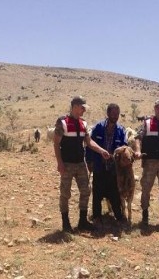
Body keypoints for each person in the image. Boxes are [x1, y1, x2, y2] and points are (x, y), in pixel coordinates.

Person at [54, 96, 110, 233]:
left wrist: (101, 150)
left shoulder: (83, 123)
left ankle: (82, 222)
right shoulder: (63, 122)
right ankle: (66, 223)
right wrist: (59, 163)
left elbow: (89, 142)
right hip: (67, 164)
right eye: (82, 107)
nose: (84, 110)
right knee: (65, 193)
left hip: (80, 163)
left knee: (86, 190)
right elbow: (56, 143)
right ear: (74, 106)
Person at [134, 99, 159, 226]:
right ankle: (145, 216)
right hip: (149, 161)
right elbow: (137, 138)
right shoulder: (147, 123)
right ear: (154, 108)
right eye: (157, 107)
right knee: (146, 188)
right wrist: (138, 151)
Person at [86, 103, 127, 225]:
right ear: (108, 114)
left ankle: (118, 215)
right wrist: (89, 161)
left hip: (113, 168)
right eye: (113, 113)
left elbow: (124, 147)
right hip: (99, 165)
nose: (115, 116)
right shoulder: (98, 127)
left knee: (114, 191)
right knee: (97, 191)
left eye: (117, 114)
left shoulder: (120, 130)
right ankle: (97, 216)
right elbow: (89, 144)